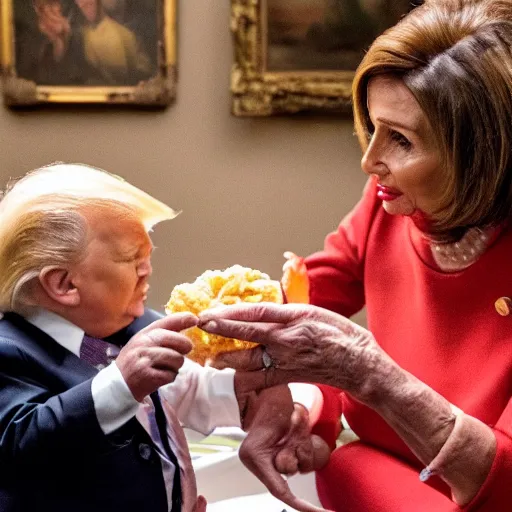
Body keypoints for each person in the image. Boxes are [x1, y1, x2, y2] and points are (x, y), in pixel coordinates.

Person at [198, 1, 512, 510]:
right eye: (372, 124)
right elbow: (304, 304)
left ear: (484, 154)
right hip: (365, 476)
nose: (369, 162)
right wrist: (299, 401)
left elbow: (501, 483)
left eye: (401, 140)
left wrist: (366, 374)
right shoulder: (387, 202)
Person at [0, 163, 327, 512]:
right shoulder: (10, 353)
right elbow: (20, 444)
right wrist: (120, 384)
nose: (148, 268)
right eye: (131, 258)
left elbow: (183, 389)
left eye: (148, 254)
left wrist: (249, 398)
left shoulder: (131, 329)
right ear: (65, 284)